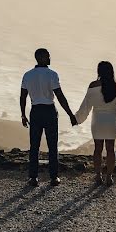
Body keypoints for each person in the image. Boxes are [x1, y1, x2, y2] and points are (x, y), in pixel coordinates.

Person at [20, 48, 77, 187]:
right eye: (49, 56)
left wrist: (23, 114)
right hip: (49, 111)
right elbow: (60, 96)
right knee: (52, 145)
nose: (50, 58)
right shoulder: (52, 75)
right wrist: (70, 114)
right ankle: (54, 177)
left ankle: (33, 178)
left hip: (35, 111)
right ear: (43, 58)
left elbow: (23, 96)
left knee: (34, 145)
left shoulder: (27, 75)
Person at [75, 61, 116, 186]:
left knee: (98, 149)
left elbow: (85, 106)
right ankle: (109, 177)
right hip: (111, 120)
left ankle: (98, 176)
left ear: (99, 71)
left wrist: (76, 119)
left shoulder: (92, 86)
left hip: (97, 120)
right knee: (110, 149)